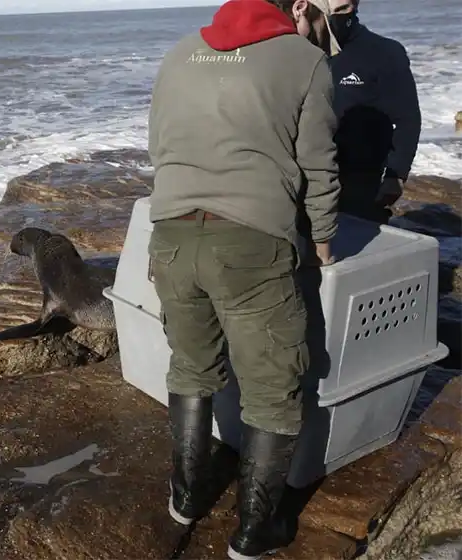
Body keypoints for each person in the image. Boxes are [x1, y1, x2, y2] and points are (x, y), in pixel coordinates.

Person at [146, 0, 340, 559]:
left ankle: (186, 496)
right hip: (252, 239)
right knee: (273, 393)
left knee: (190, 367)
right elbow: (319, 164)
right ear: (297, 6)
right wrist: (323, 240)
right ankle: (256, 531)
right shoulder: (304, 60)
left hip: (173, 234)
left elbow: (160, 146)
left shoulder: (181, 51)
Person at [326, 0, 422, 224]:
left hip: (361, 176)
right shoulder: (301, 53)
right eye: (327, 9)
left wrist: (396, 174)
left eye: (342, 9)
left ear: (356, 5)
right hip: (309, 171)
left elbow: (408, 118)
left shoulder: (385, 52)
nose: (333, 16)